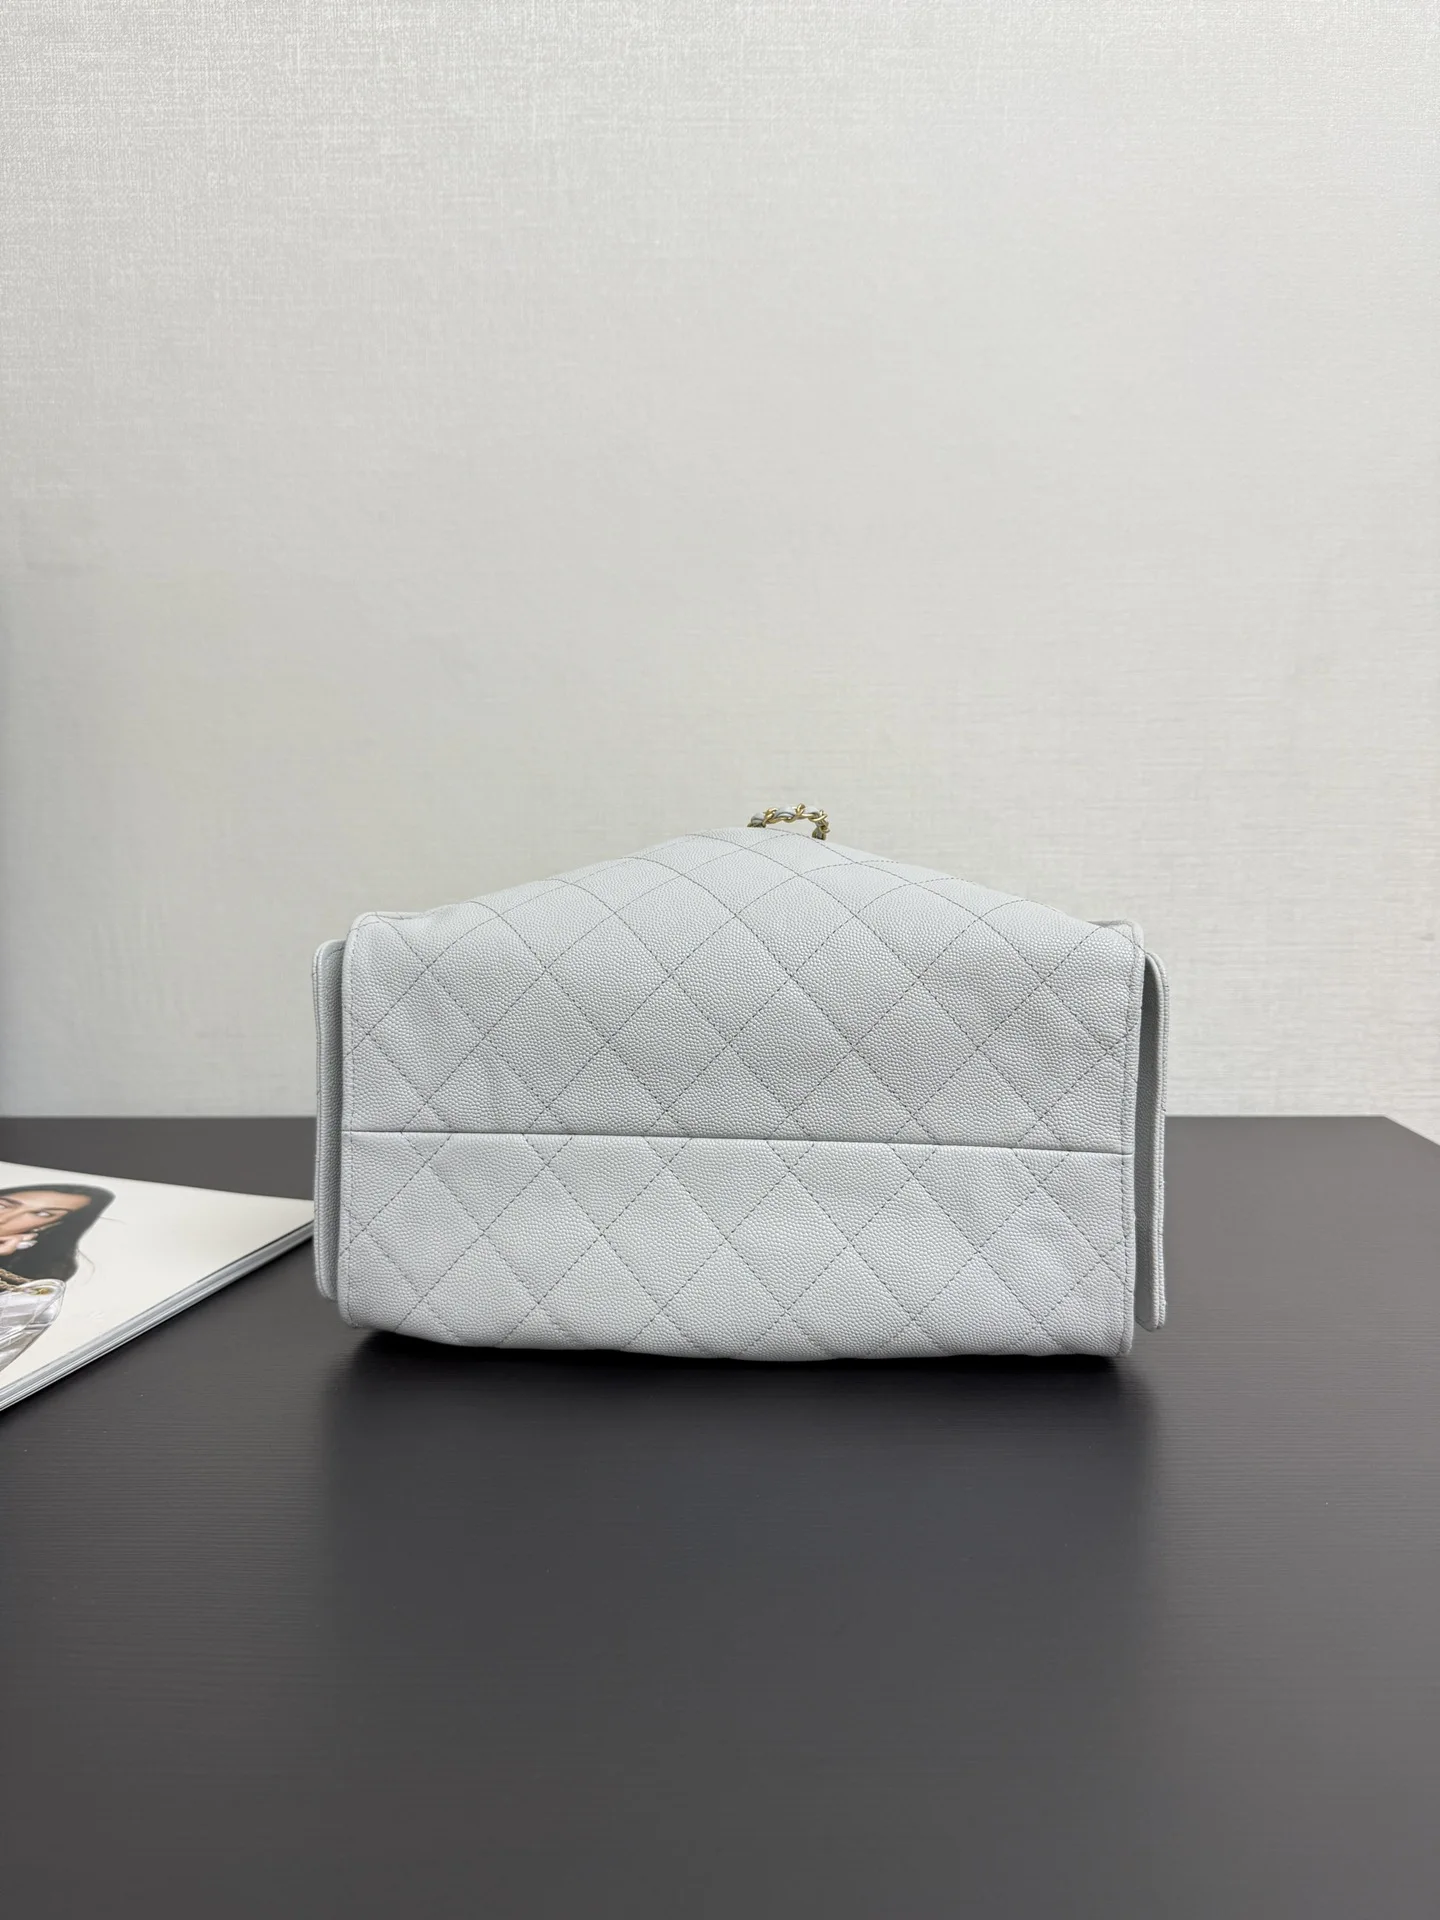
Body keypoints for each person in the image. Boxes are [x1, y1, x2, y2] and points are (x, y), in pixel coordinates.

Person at [0, 1184, 114, 1376]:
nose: (4, 1219)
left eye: (43, 1214)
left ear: (50, 1226)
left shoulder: (32, 1284)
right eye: (3, 1205)